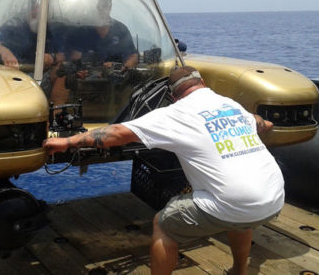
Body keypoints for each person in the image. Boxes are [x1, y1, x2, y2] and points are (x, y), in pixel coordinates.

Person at [43, 66, 284, 275]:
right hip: (273, 198)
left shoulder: (176, 113)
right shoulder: (231, 105)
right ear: (202, 83)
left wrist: (68, 142)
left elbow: (116, 134)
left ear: (172, 96)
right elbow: (263, 123)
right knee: (240, 215)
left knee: (163, 223)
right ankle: (239, 271)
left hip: (234, 205)